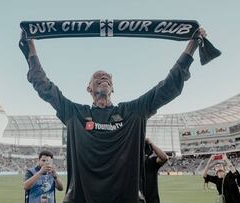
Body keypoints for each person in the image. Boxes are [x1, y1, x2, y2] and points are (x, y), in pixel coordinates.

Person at [19, 28, 207, 203]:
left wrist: (192, 45)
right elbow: (44, 86)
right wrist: (31, 46)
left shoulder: (133, 112)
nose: (104, 77)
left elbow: (168, 87)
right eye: (98, 76)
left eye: (108, 77)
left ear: (113, 88)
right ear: (89, 88)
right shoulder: (75, 113)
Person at [144, 138, 168, 203]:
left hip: (152, 200)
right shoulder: (133, 163)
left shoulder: (151, 162)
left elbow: (164, 157)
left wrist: (151, 143)